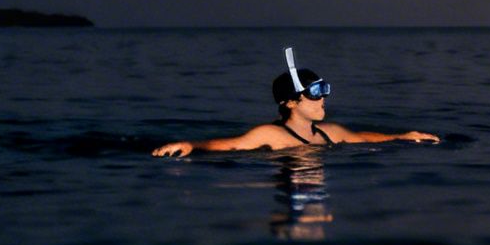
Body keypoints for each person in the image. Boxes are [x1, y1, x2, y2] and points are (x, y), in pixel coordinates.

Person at [153, 64, 438, 157]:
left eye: (324, 90)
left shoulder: (330, 132)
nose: (322, 99)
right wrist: (191, 145)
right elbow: (230, 145)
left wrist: (404, 136)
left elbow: (363, 138)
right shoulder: (271, 135)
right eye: (315, 93)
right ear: (290, 102)